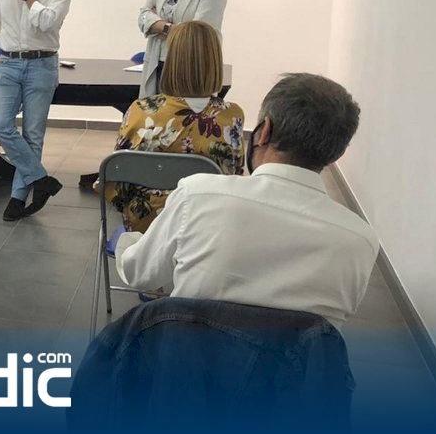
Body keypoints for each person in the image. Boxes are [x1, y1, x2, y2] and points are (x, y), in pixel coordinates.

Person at [115, 73, 378, 327]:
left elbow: (139, 273)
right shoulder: (360, 241)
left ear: (264, 131)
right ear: (336, 154)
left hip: (189, 354)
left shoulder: (197, 196)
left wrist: (127, 242)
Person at [102, 21, 244, 233]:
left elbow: (117, 178)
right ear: (215, 62)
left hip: (147, 229)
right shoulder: (232, 116)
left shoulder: (142, 110)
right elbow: (234, 175)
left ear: (171, 61)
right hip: (207, 226)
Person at [0, 0, 73, 221]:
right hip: (8, 63)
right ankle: (41, 179)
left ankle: (18, 197)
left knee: (33, 134)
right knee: (0, 125)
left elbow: (48, 22)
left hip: (42, 65)